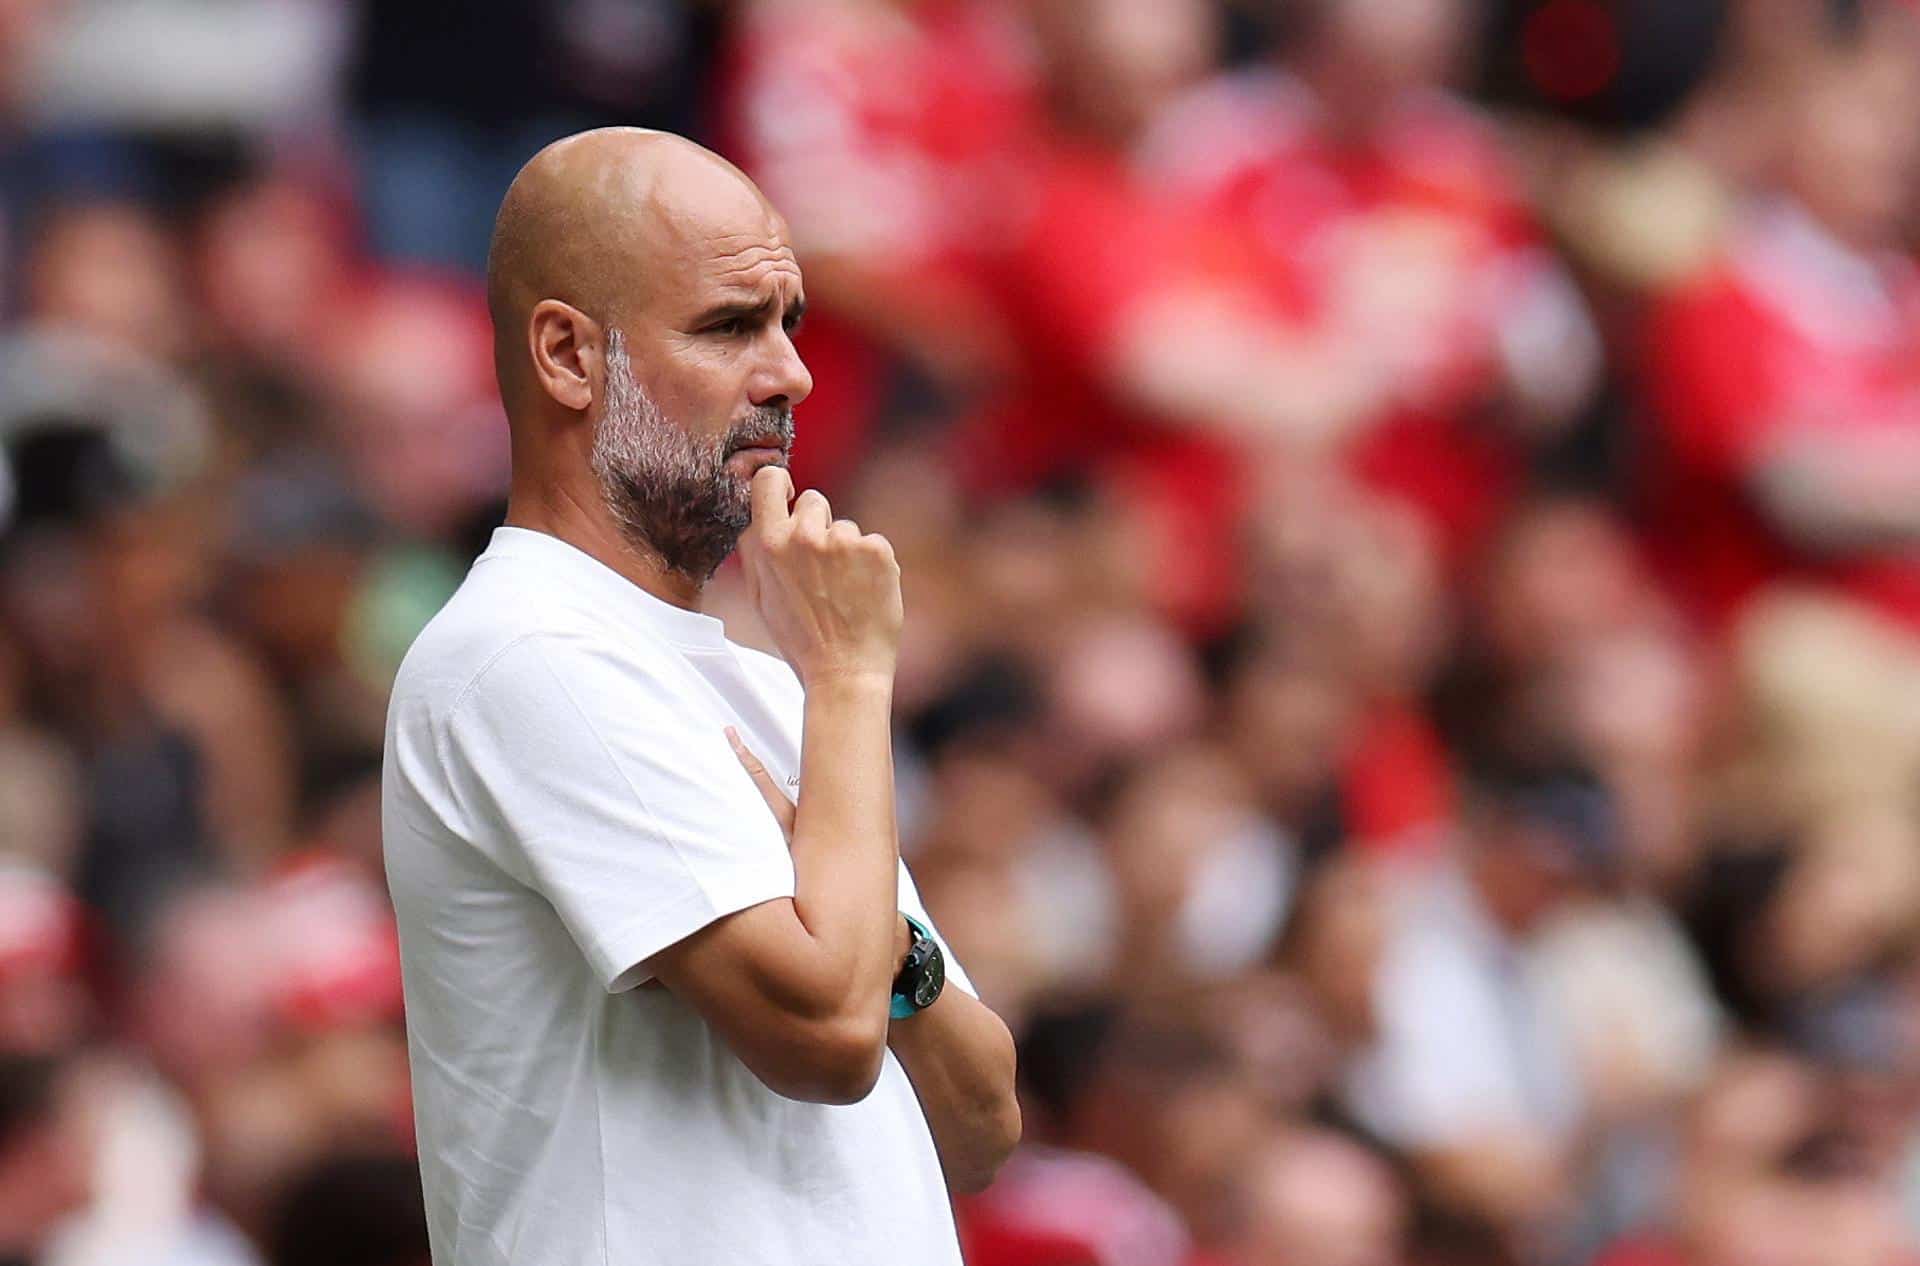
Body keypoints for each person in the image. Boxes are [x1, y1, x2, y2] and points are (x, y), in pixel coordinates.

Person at [380, 128, 1020, 1265]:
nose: (791, 375)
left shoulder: (768, 681)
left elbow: (978, 1122)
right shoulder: (526, 652)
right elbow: (828, 1034)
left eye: (791, 323)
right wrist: (857, 679)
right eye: (731, 326)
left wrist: (894, 956)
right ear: (569, 356)